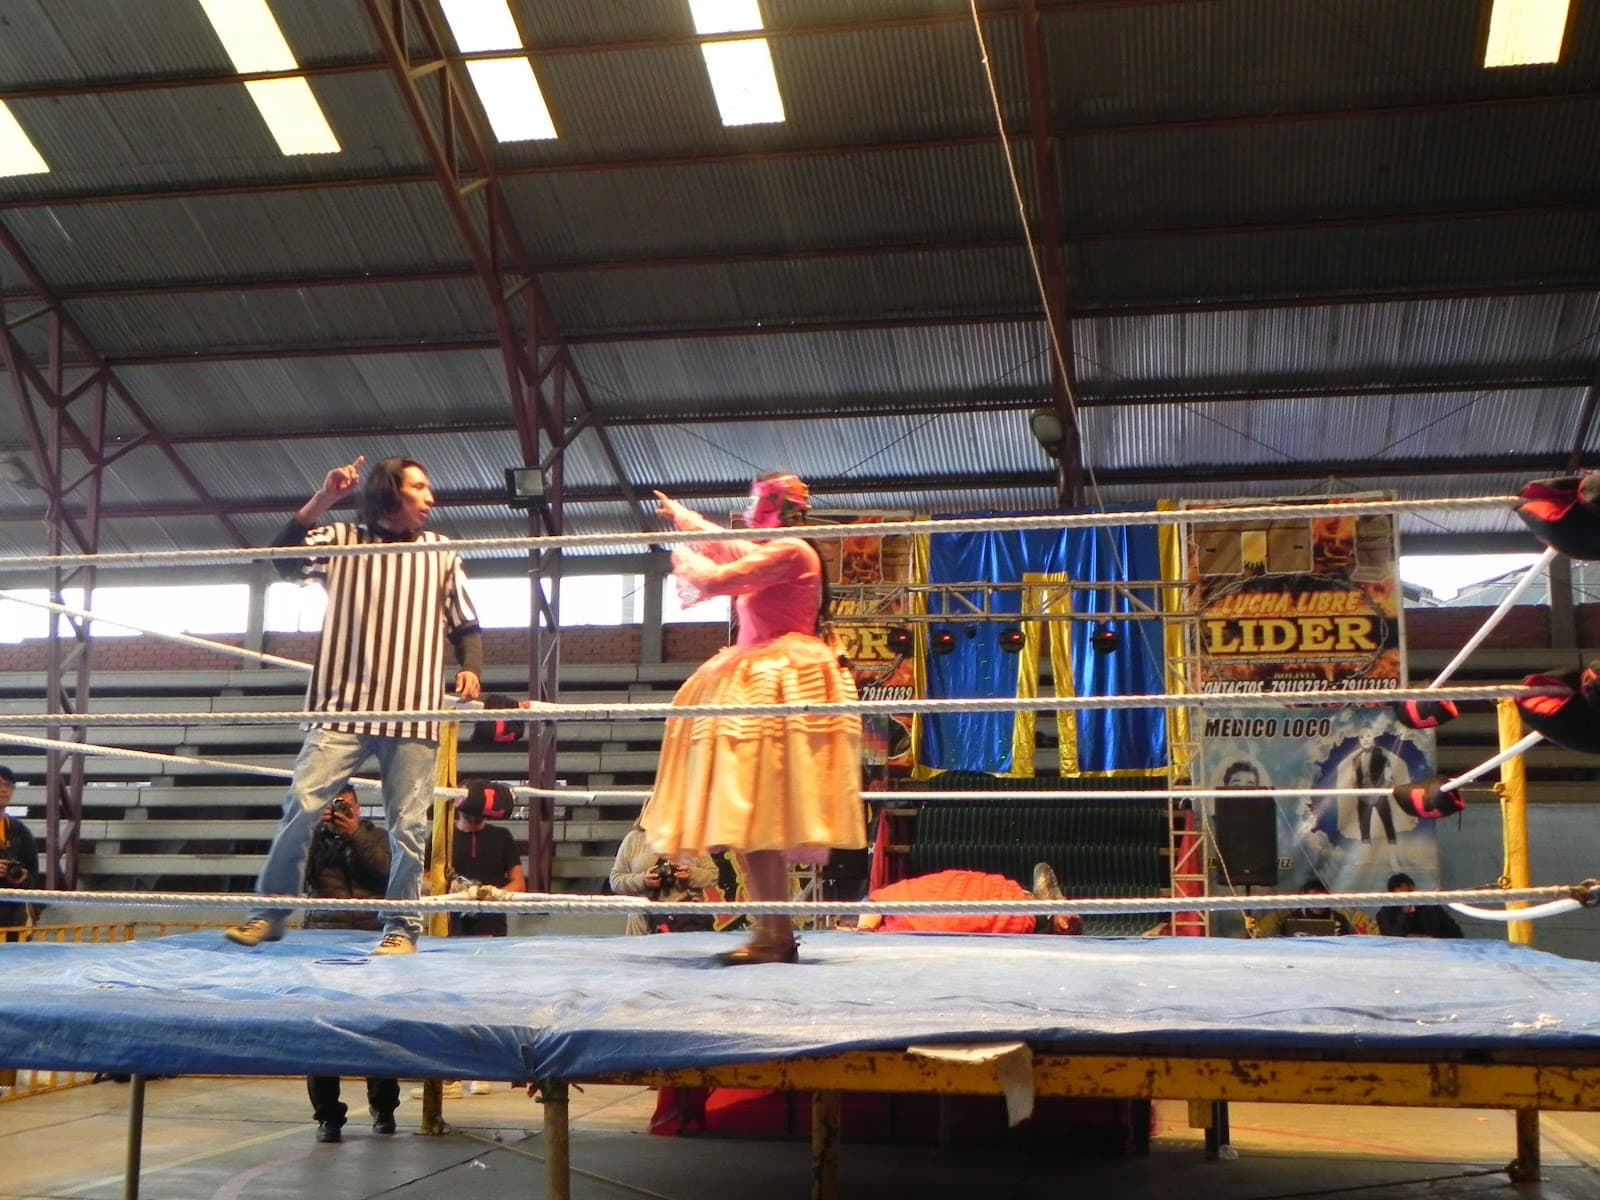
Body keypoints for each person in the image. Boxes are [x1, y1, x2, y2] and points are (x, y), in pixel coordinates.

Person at [226, 456, 481, 955]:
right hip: (342, 706)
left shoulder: (441, 551)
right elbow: (282, 558)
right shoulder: (341, 538)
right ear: (391, 492)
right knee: (301, 804)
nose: (431, 498)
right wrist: (323, 500)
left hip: (413, 710)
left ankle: (401, 929)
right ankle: (270, 913)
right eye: (420, 488)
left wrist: (471, 666)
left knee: (408, 825)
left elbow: (466, 622)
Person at [644, 473, 866, 965]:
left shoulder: (792, 552)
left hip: (776, 680)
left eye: (760, 503)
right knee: (748, 820)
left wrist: (682, 554)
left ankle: (774, 935)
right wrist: (680, 517)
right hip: (755, 674)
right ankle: (773, 932)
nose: (752, 512)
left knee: (758, 816)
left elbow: (717, 575)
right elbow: (727, 549)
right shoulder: (781, 549)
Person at [302, 785, 401, 1142]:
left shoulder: (378, 837)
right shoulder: (310, 838)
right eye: (332, 806)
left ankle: (385, 1108)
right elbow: (296, 877)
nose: (339, 810)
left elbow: (387, 875)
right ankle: (328, 1116)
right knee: (320, 1032)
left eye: (345, 805)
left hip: (371, 942)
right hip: (323, 943)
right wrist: (312, 830)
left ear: (358, 807)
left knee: (377, 1029)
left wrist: (354, 835)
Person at [848, 864, 1084, 936]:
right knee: (969, 917)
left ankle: (1043, 908)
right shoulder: (887, 934)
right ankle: (1045, 912)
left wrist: (864, 929)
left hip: (924, 897)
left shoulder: (876, 915)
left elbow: (872, 902)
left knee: (966, 891)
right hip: (926, 918)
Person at [610, 820, 719, 937]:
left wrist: (691, 875)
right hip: (644, 922)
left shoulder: (693, 839)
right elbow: (616, 880)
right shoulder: (633, 839)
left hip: (688, 918)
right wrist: (642, 881)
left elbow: (713, 875)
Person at [448, 780, 527, 938]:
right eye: (469, 816)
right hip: (450, 920)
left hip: (492, 922)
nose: (473, 821)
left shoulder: (501, 836)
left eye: (478, 818)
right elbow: (423, 881)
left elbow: (519, 884)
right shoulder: (442, 837)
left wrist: (493, 895)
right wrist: (449, 887)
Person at [1249, 879, 1376, 937]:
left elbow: (1346, 945)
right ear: (1305, 899)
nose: (1317, 903)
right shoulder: (1293, 919)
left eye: (1320, 899)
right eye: (1312, 899)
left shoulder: (1339, 919)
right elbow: (1284, 944)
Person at [0, 767, 40, 940]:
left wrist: (21, 877)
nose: (3, 789)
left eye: (8, 785)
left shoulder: (19, 831)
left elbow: (33, 873)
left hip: (12, 917)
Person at [1377, 872, 1464, 938]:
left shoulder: (1429, 907)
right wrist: (1405, 913)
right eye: (1400, 896)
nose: (1406, 898)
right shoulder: (1385, 913)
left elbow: (1456, 934)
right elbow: (1391, 939)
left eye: (1409, 893)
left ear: (1413, 889)